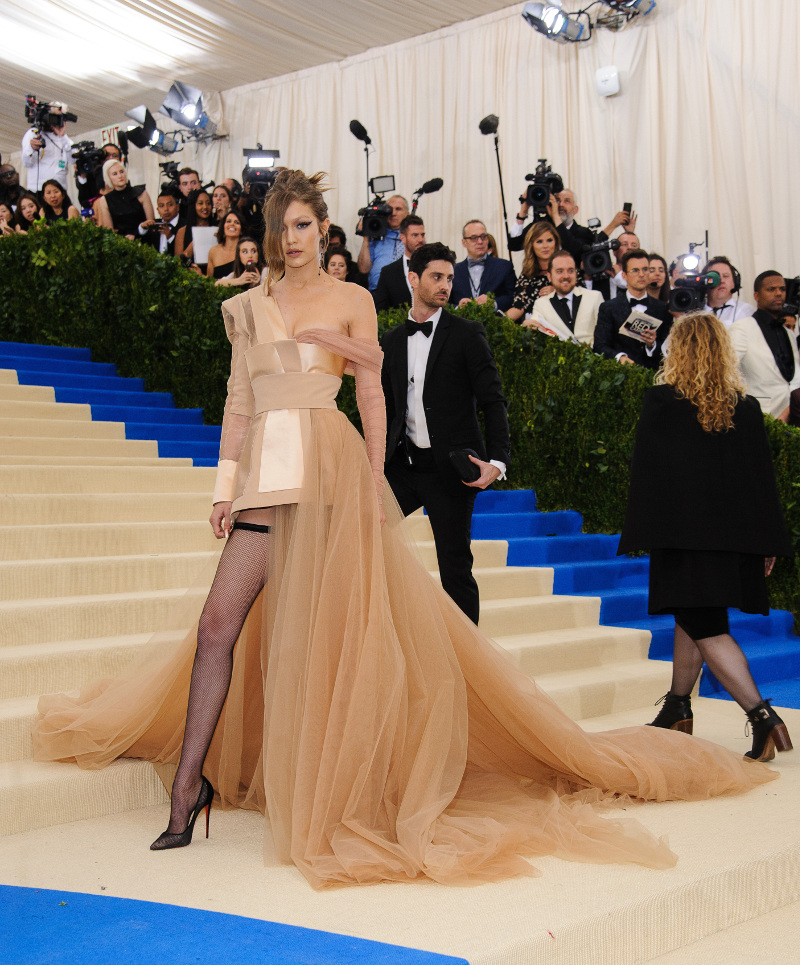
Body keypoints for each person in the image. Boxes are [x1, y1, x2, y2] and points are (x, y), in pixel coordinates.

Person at [33, 169, 776, 891]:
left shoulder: (354, 298)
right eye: (280, 226)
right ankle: (189, 785)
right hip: (264, 474)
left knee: (330, 636)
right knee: (218, 625)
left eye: (303, 225)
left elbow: (370, 392)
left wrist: (370, 471)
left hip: (330, 469)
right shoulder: (249, 305)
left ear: (323, 228)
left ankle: (344, 785)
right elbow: (237, 401)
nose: (291, 238)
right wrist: (224, 488)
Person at [619, 313, 793, 761]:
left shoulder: (662, 401)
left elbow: (647, 475)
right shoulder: (746, 407)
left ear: (678, 351)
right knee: (692, 617)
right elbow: (761, 482)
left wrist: (642, 532)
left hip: (682, 540)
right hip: (733, 541)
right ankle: (677, 708)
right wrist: (767, 543)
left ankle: (762, 717)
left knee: (706, 626)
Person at [382, 242, 510, 624]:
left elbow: (493, 400)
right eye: (436, 277)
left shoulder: (467, 334)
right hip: (402, 467)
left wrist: (498, 461)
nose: (445, 285)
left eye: (450, 278)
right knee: (357, 533)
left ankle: (467, 656)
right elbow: (385, 409)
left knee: (455, 568)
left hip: (452, 470)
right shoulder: (391, 341)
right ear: (413, 278)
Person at [729, 271, 800, 424]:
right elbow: (727, 372)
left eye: (782, 289)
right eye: (771, 289)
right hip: (760, 416)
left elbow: (794, 379)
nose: (778, 293)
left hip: (793, 417)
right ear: (756, 295)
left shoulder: (789, 333)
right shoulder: (742, 328)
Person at [594, 249, 672, 368]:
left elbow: (668, 350)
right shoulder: (609, 308)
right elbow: (600, 346)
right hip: (619, 374)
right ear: (624, 275)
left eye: (645, 269)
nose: (641, 274)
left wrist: (652, 345)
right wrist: (620, 357)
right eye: (635, 270)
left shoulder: (663, 309)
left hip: (653, 374)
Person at [527, 250, 603, 345]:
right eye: (560, 271)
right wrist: (527, 326)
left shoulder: (594, 297)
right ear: (549, 276)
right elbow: (534, 328)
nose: (566, 276)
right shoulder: (541, 304)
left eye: (570, 271)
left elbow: (604, 336)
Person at [450, 219, 516, 312]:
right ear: (464, 242)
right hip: (461, 320)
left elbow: (513, 296)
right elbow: (444, 302)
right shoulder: (453, 270)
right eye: (474, 238)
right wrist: (458, 308)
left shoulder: (504, 266)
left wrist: (493, 304)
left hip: (494, 319)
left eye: (483, 237)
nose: (480, 241)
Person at [505, 220, 559, 323]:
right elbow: (518, 308)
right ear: (531, 245)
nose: (545, 246)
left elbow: (581, 297)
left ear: (556, 242)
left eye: (549, 240)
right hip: (533, 327)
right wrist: (496, 322)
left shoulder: (567, 268)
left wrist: (558, 292)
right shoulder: (527, 275)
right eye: (539, 241)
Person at [372, 214, 426, 311]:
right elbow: (380, 310)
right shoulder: (388, 272)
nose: (420, 240)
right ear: (403, 238)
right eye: (415, 235)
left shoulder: (434, 267)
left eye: (422, 235)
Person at [357, 194, 409, 290]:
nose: (393, 213)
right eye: (390, 209)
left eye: (398, 209)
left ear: (407, 214)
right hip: (377, 291)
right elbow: (363, 269)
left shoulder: (414, 237)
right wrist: (366, 237)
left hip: (404, 292)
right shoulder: (375, 236)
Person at [93, 160, 154, 239]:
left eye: (121, 172)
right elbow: (109, 232)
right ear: (108, 178)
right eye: (115, 174)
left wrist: (136, 236)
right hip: (121, 241)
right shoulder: (104, 200)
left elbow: (151, 223)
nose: (120, 176)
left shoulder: (142, 193)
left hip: (145, 238)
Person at [21, 105, 74, 192]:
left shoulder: (64, 139)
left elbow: (73, 160)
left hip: (60, 190)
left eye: (61, 117)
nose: (56, 120)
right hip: (39, 190)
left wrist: (62, 137)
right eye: (54, 117)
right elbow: (26, 163)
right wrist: (32, 149)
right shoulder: (33, 133)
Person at [702, 256, 754, 327]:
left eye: (725, 276)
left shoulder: (745, 310)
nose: (721, 281)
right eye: (715, 277)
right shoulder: (695, 312)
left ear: (734, 282)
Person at [174, 189, 214, 262]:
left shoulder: (216, 228)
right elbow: (178, 262)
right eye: (200, 203)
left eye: (208, 203)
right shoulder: (182, 231)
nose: (205, 207)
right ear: (193, 206)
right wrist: (196, 239)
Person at [207, 210, 246, 279]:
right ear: (223, 227)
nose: (232, 224)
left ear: (241, 231)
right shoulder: (213, 251)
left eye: (236, 222)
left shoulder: (245, 251)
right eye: (228, 221)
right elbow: (210, 280)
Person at [140, 191, 181, 256]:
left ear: (177, 207)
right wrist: (142, 228)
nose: (166, 209)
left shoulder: (185, 225)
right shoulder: (154, 224)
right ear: (158, 210)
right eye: (161, 206)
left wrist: (170, 237)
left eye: (170, 205)